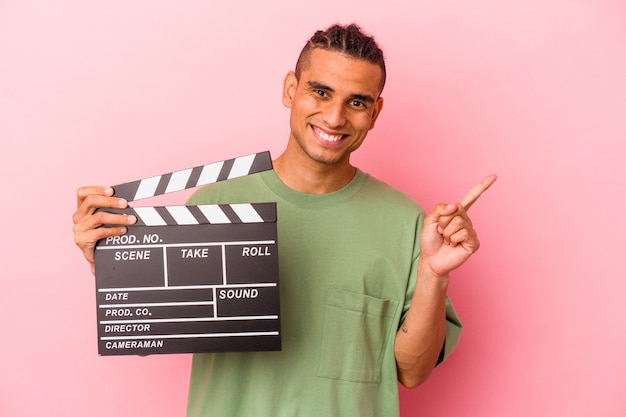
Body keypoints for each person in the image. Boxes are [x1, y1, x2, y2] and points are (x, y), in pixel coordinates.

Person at [73, 23, 496, 417]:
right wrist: (110, 262)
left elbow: (413, 372)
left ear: (376, 111)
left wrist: (434, 274)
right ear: (291, 89)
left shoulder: (408, 224)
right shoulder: (216, 204)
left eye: (357, 102)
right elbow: (149, 338)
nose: (334, 118)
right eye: (320, 92)